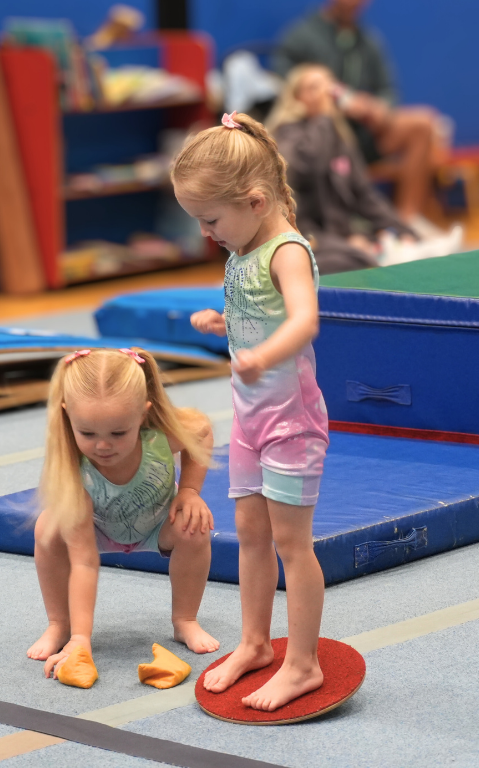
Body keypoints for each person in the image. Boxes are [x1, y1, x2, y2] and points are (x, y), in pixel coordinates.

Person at [171, 112, 329, 712]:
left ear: (256, 200)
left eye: (210, 219)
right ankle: (256, 643)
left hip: (292, 423)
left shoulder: (286, 251)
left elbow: (304, 321)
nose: (206, 232)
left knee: (293, 543)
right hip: (250, 420)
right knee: (251, 536)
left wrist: (262, 352)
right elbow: (254, 315)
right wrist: (226, 325)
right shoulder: (242, 247)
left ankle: (304, 663)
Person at [28, 347, 219, 686]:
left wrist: (190, 490)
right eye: (88, 433)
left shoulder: (160, 437)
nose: (103, 446)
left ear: (143, 416)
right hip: (98, 529)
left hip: (158, 525)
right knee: (48, 528)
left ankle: (184, 619)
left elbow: (201, 431)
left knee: (195, 527)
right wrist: (80, 640)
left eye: (118, 433)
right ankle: (59, 623)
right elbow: (84, 563)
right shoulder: (74, 470)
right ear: (67, 415)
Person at [273, 0, 450, 237]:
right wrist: (337, 100)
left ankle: (409, 220)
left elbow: (389, 91)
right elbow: (285, 84)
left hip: (365, 133)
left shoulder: (369, 41)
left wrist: (377, 108)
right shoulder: (301, 36)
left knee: (423, 124)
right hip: (320, 134)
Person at [266, 64, 464, 273]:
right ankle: (382, 255)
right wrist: (324, 118)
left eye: (328, 84)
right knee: (348, 256)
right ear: (297, 97)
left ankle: (405, 249)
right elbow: (309, 166)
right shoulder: (285, 137)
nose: (325, 92)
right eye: (315, 87)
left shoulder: (339, 137)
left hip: (341, 232)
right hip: (305, 234)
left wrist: (403, 230)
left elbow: (365, 195)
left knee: (379, 238)